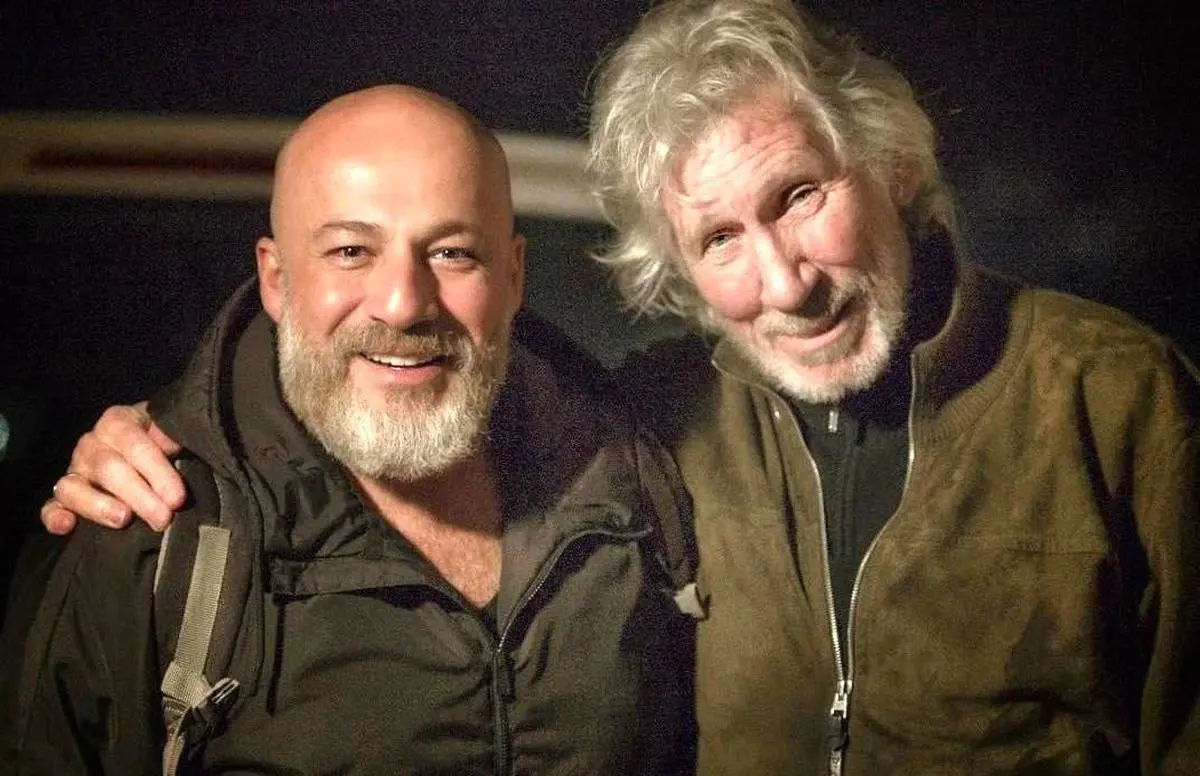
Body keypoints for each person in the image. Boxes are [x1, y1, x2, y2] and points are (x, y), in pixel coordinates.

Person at [33, 1, 1200, 774]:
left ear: (891, 162)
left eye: (800, 195)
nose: (784, 281)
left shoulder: (1117, 402)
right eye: (719, 238)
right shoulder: (644, 435)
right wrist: (170, 431)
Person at [0, 84, 695, 774]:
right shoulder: (150, 542)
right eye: (351, 251)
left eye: (452, 253)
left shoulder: (648, 488)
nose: (402, 304)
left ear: (512, 276)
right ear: (276, 279)